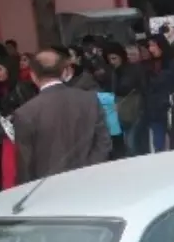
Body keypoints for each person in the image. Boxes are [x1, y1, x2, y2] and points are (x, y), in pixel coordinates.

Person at [12, 48, 112, 185]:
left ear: (33, 75)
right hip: (90, 181)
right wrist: (90, 169)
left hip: (49, 187)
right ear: (64, 72)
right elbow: (103, 142)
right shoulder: (89, 99)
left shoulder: (25, 113)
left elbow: (25, 163)